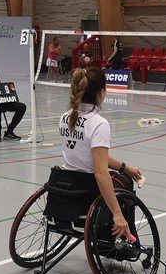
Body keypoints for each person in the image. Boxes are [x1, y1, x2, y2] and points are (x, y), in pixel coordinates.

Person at [59, 66, 142, 238]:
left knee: (124, 174)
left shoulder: (65, 117)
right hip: (87, 188)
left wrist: (125, 168)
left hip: (65, 182)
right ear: (101, 93)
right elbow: (100, 172)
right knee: (124, 181)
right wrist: (117, 214)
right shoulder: (98, 123)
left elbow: (94, 156)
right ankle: (122, 237)